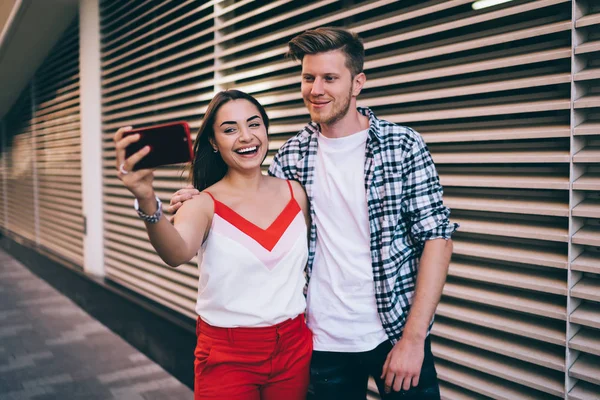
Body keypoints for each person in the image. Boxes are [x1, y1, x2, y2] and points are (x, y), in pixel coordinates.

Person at [169, 27, 458, 400]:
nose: (316, 89)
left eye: (330, 78)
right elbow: (254, 203)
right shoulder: (291, 156)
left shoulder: (401, 146)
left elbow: (437, 238)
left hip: (394, 333)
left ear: (357, 83)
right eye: (308, 77)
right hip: (320, 343)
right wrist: (197, 201)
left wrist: (413, 340)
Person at [114, 90, 313, 400]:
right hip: (228, 355)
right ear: (213, 143)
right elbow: (176, 252)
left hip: (294, 346)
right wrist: (145, 198)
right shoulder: (203, 203)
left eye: (254, 124)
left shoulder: (296, 193)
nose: (246, 137)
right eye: (230, 129)